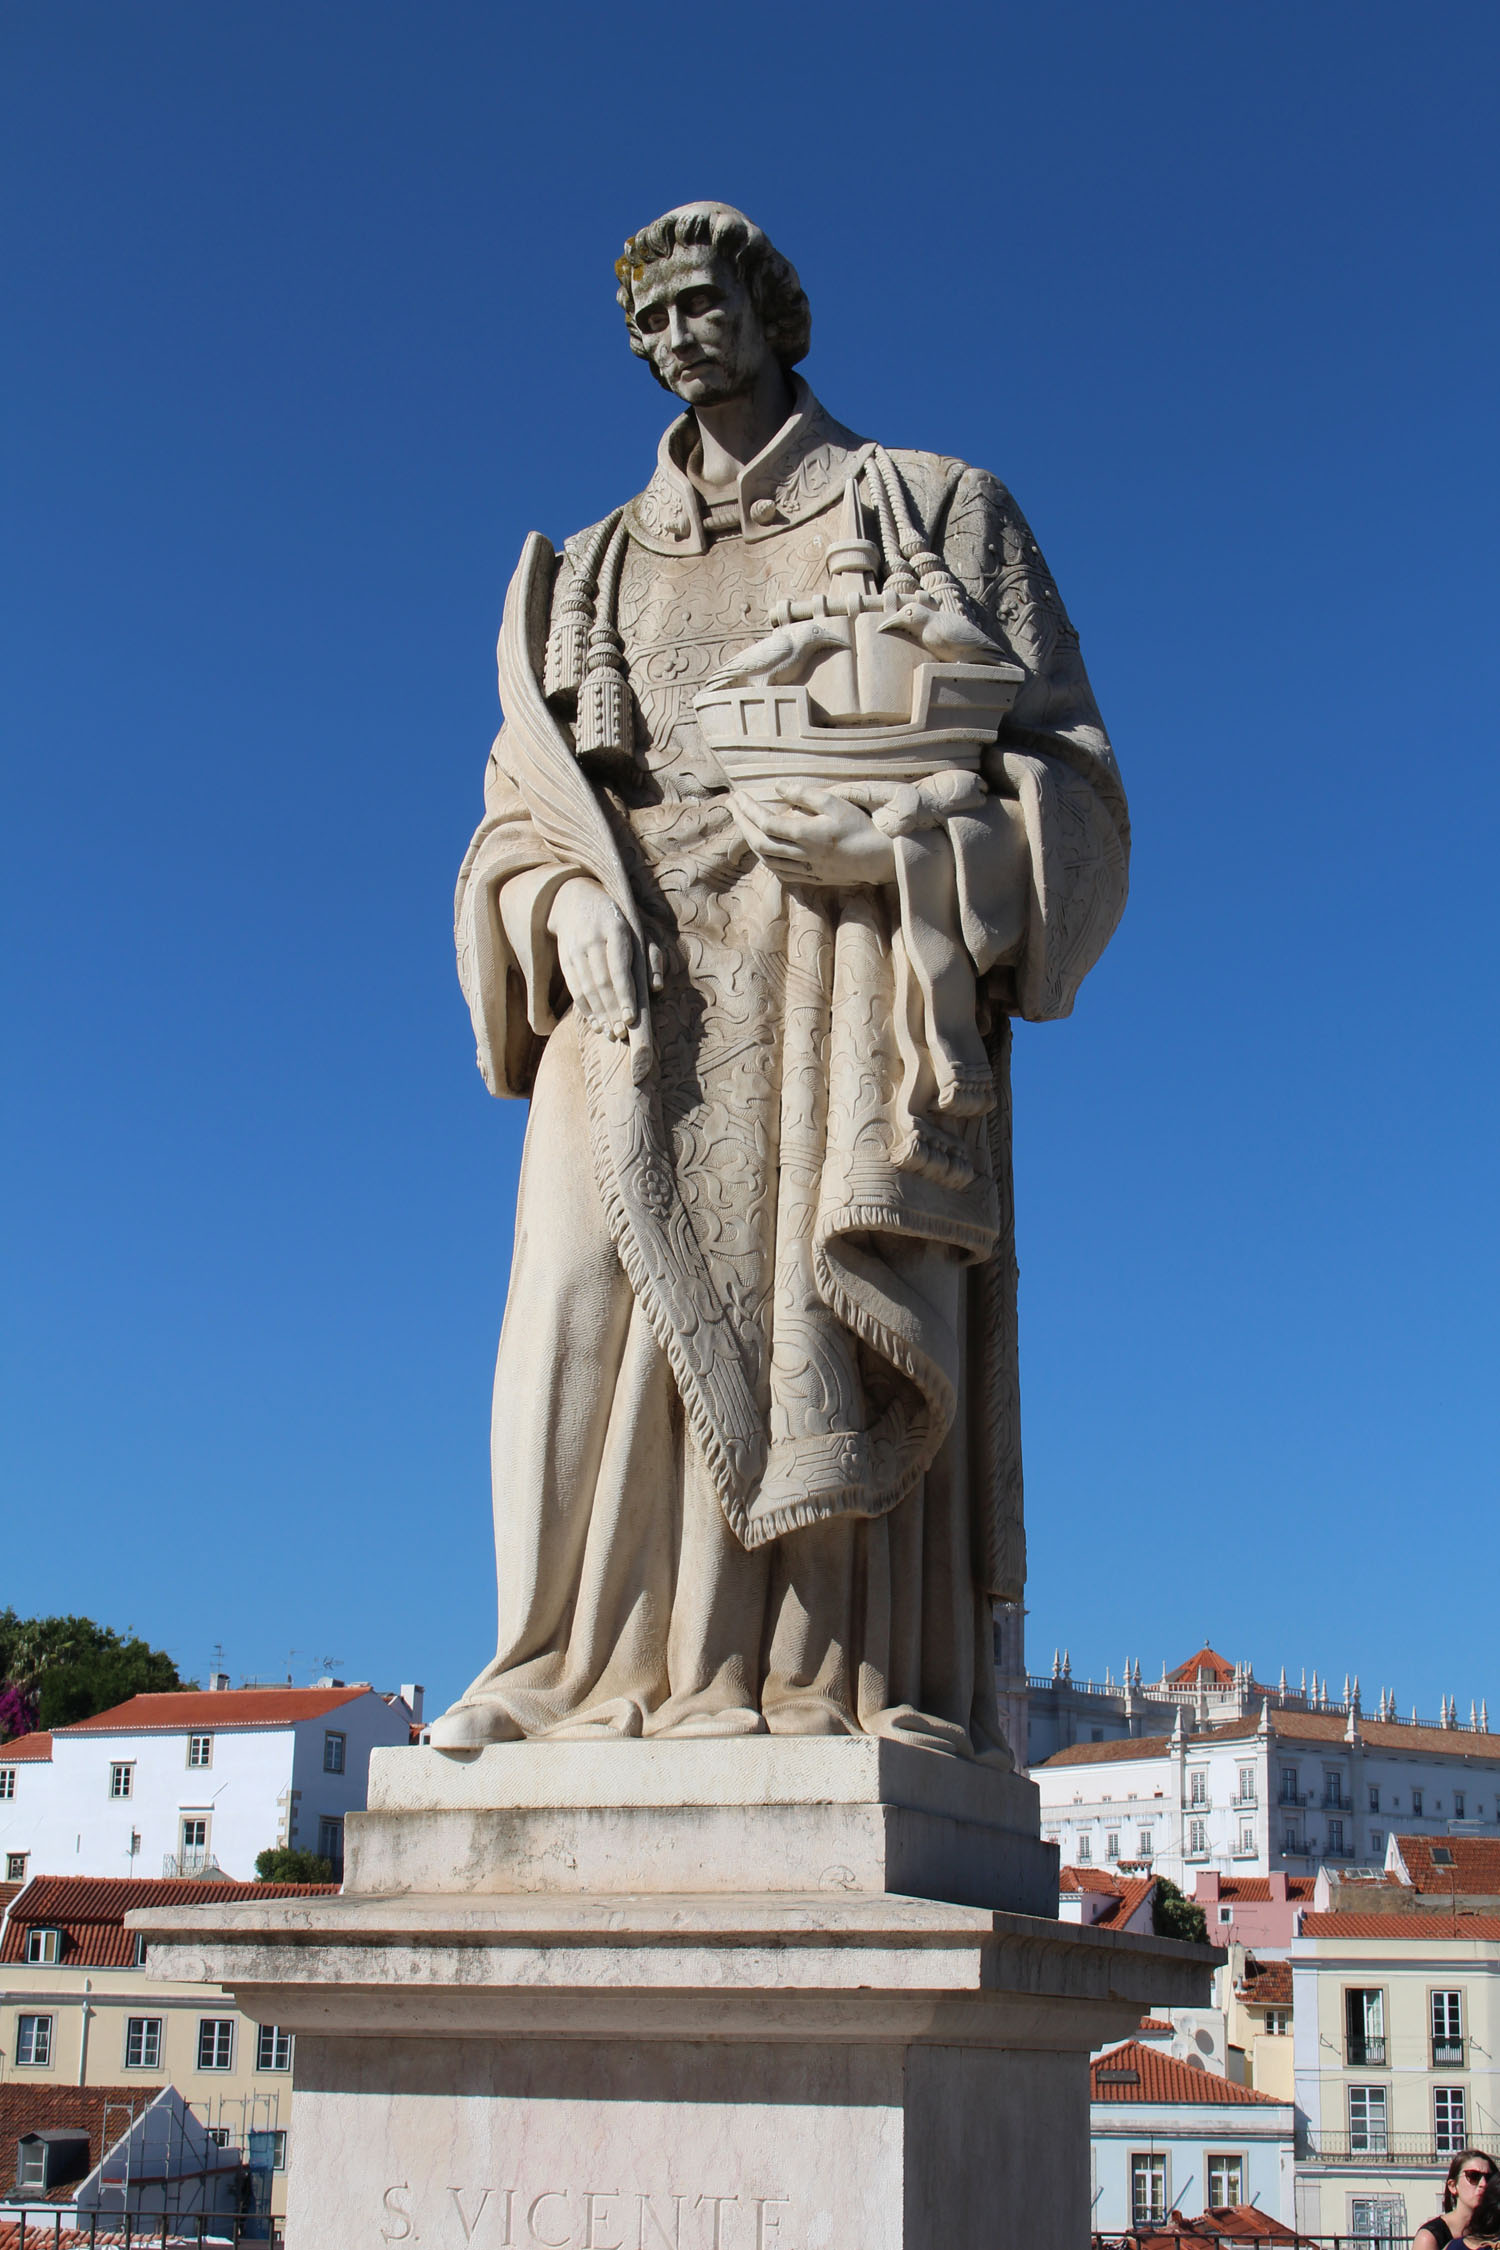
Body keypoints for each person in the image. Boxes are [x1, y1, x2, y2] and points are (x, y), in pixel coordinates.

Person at [430, 203, 1129, 1753]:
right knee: (570, 1292)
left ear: (771, 309)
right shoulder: (593, 565)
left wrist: (926, 845)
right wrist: (556, 909)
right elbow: (513, 818)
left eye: (704, 303)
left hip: (848, 962)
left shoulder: (937, 504)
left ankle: (819, 1675)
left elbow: (1072, 779)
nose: (683, 338)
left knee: (819, 1311)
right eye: (651, 320)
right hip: (632, 974)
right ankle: (559, 1668)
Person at [1416, 2149, 1500, 2247]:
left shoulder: (1495, 2230)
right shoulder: (1430, 2237)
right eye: (1473, 2176)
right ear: (1453, 2186)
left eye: (1489, 2178)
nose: (1483, 2184)